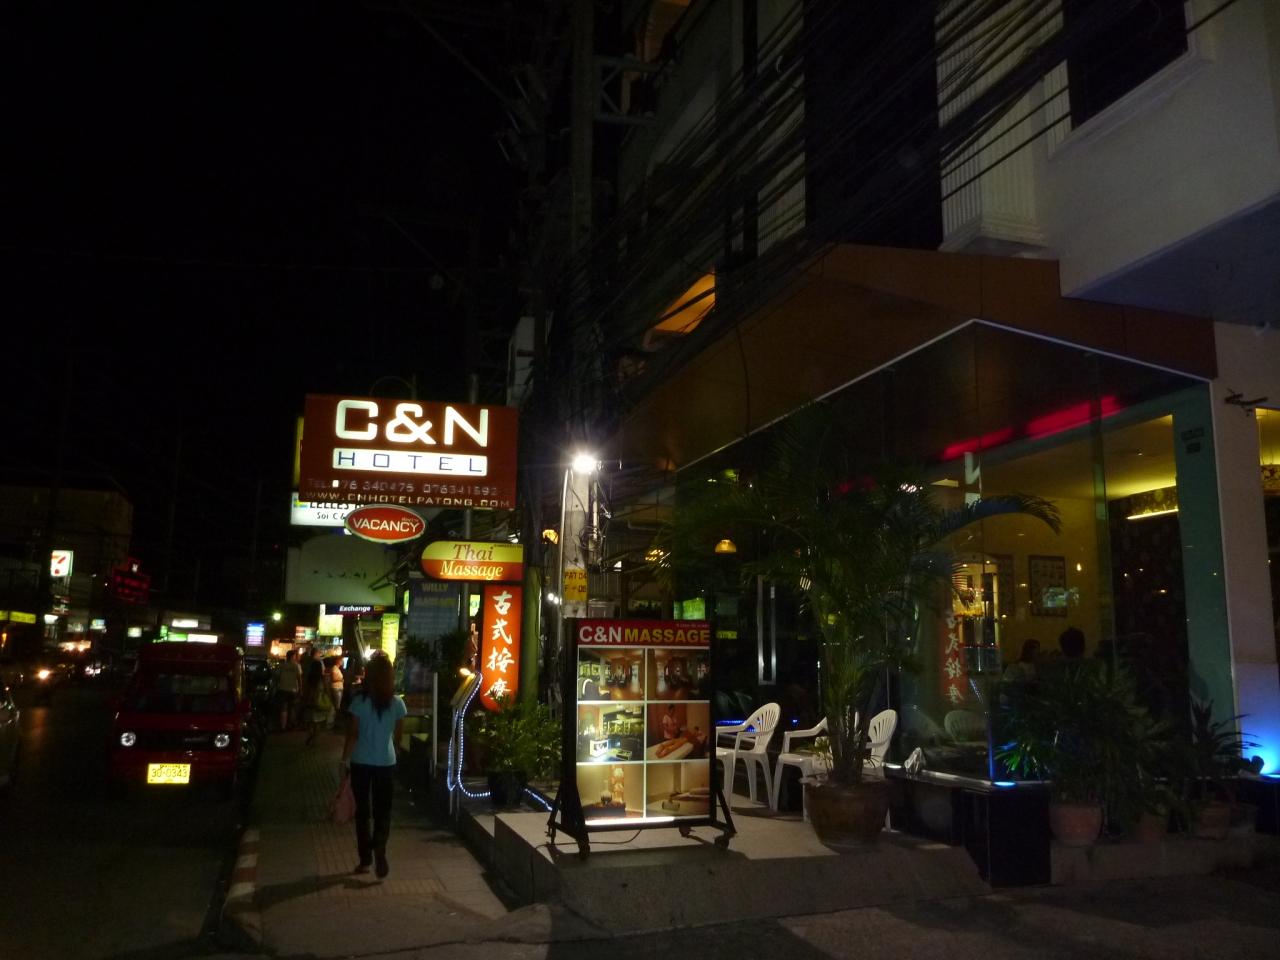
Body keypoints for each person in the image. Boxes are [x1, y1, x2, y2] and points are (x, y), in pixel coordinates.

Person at [339, 654, 406, 879]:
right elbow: (398, 736)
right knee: (383, 810)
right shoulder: (397, 703)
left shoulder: (359, 702)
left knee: (363, 812)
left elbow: (353, 734)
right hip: (386, 762)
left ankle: (365, 860)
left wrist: (343, 761)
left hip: (360, 763)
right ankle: (380, 847)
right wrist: (394, 748)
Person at [301, 651, 329, 745]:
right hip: (319, 702)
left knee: (309, 721)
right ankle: (314, 739)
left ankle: (310, 735)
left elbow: (306, 690)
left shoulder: (309, 679)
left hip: (310, 702)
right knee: (318, 722)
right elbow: (326, 690)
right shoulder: (322, 679)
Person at [276, 650, 302, 731]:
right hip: (293, 689)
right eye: (295, 656)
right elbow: (299, 678)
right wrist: (301, 689)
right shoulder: (296, 665)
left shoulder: (282, 665)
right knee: (292, 707)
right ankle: (290, 724)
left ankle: (283, 726)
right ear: (293, 656)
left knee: (283, 708)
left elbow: (277, 676)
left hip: (283, 688)